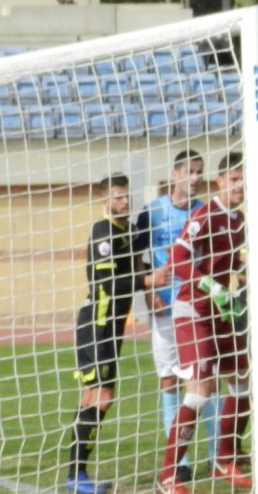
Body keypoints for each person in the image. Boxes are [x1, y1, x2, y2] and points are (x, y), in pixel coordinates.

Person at [156, 153, 254, 493]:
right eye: (236, 179)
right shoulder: (204, 215)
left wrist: (237, 286)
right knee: (201, 391)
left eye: (246, 179)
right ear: (221, 181)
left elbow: (237, 263)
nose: (242, 185)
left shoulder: (240, 219)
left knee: (242, 380)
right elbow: (176, 259)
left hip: (220, 310)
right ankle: (169, 475)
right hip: (192, 310)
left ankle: (224, 459)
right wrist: (209, 284)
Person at [66, 174, 162, 494]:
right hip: (97, 323)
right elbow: (107, 284)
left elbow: (139, 250)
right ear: (104, 200)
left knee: (93, 396)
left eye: (127, 196)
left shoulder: (129, 231)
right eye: (118, 196)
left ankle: (77, 476)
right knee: (103, 396)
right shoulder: (102, 232)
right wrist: (150, 282)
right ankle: (76, 475)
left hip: (112, 326)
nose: (125, 202)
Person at [133, 151, 212, 486]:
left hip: (194, 306)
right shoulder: (152, 211)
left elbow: (211, 256)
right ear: (175, 173)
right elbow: (136, 256)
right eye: (188, 171)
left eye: (198, 173)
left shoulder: (203, 212)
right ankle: (179, 461)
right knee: (168, 382)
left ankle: (218, 454)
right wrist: (148, 288)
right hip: (164, 308)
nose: (193, 178)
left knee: (203, 381)